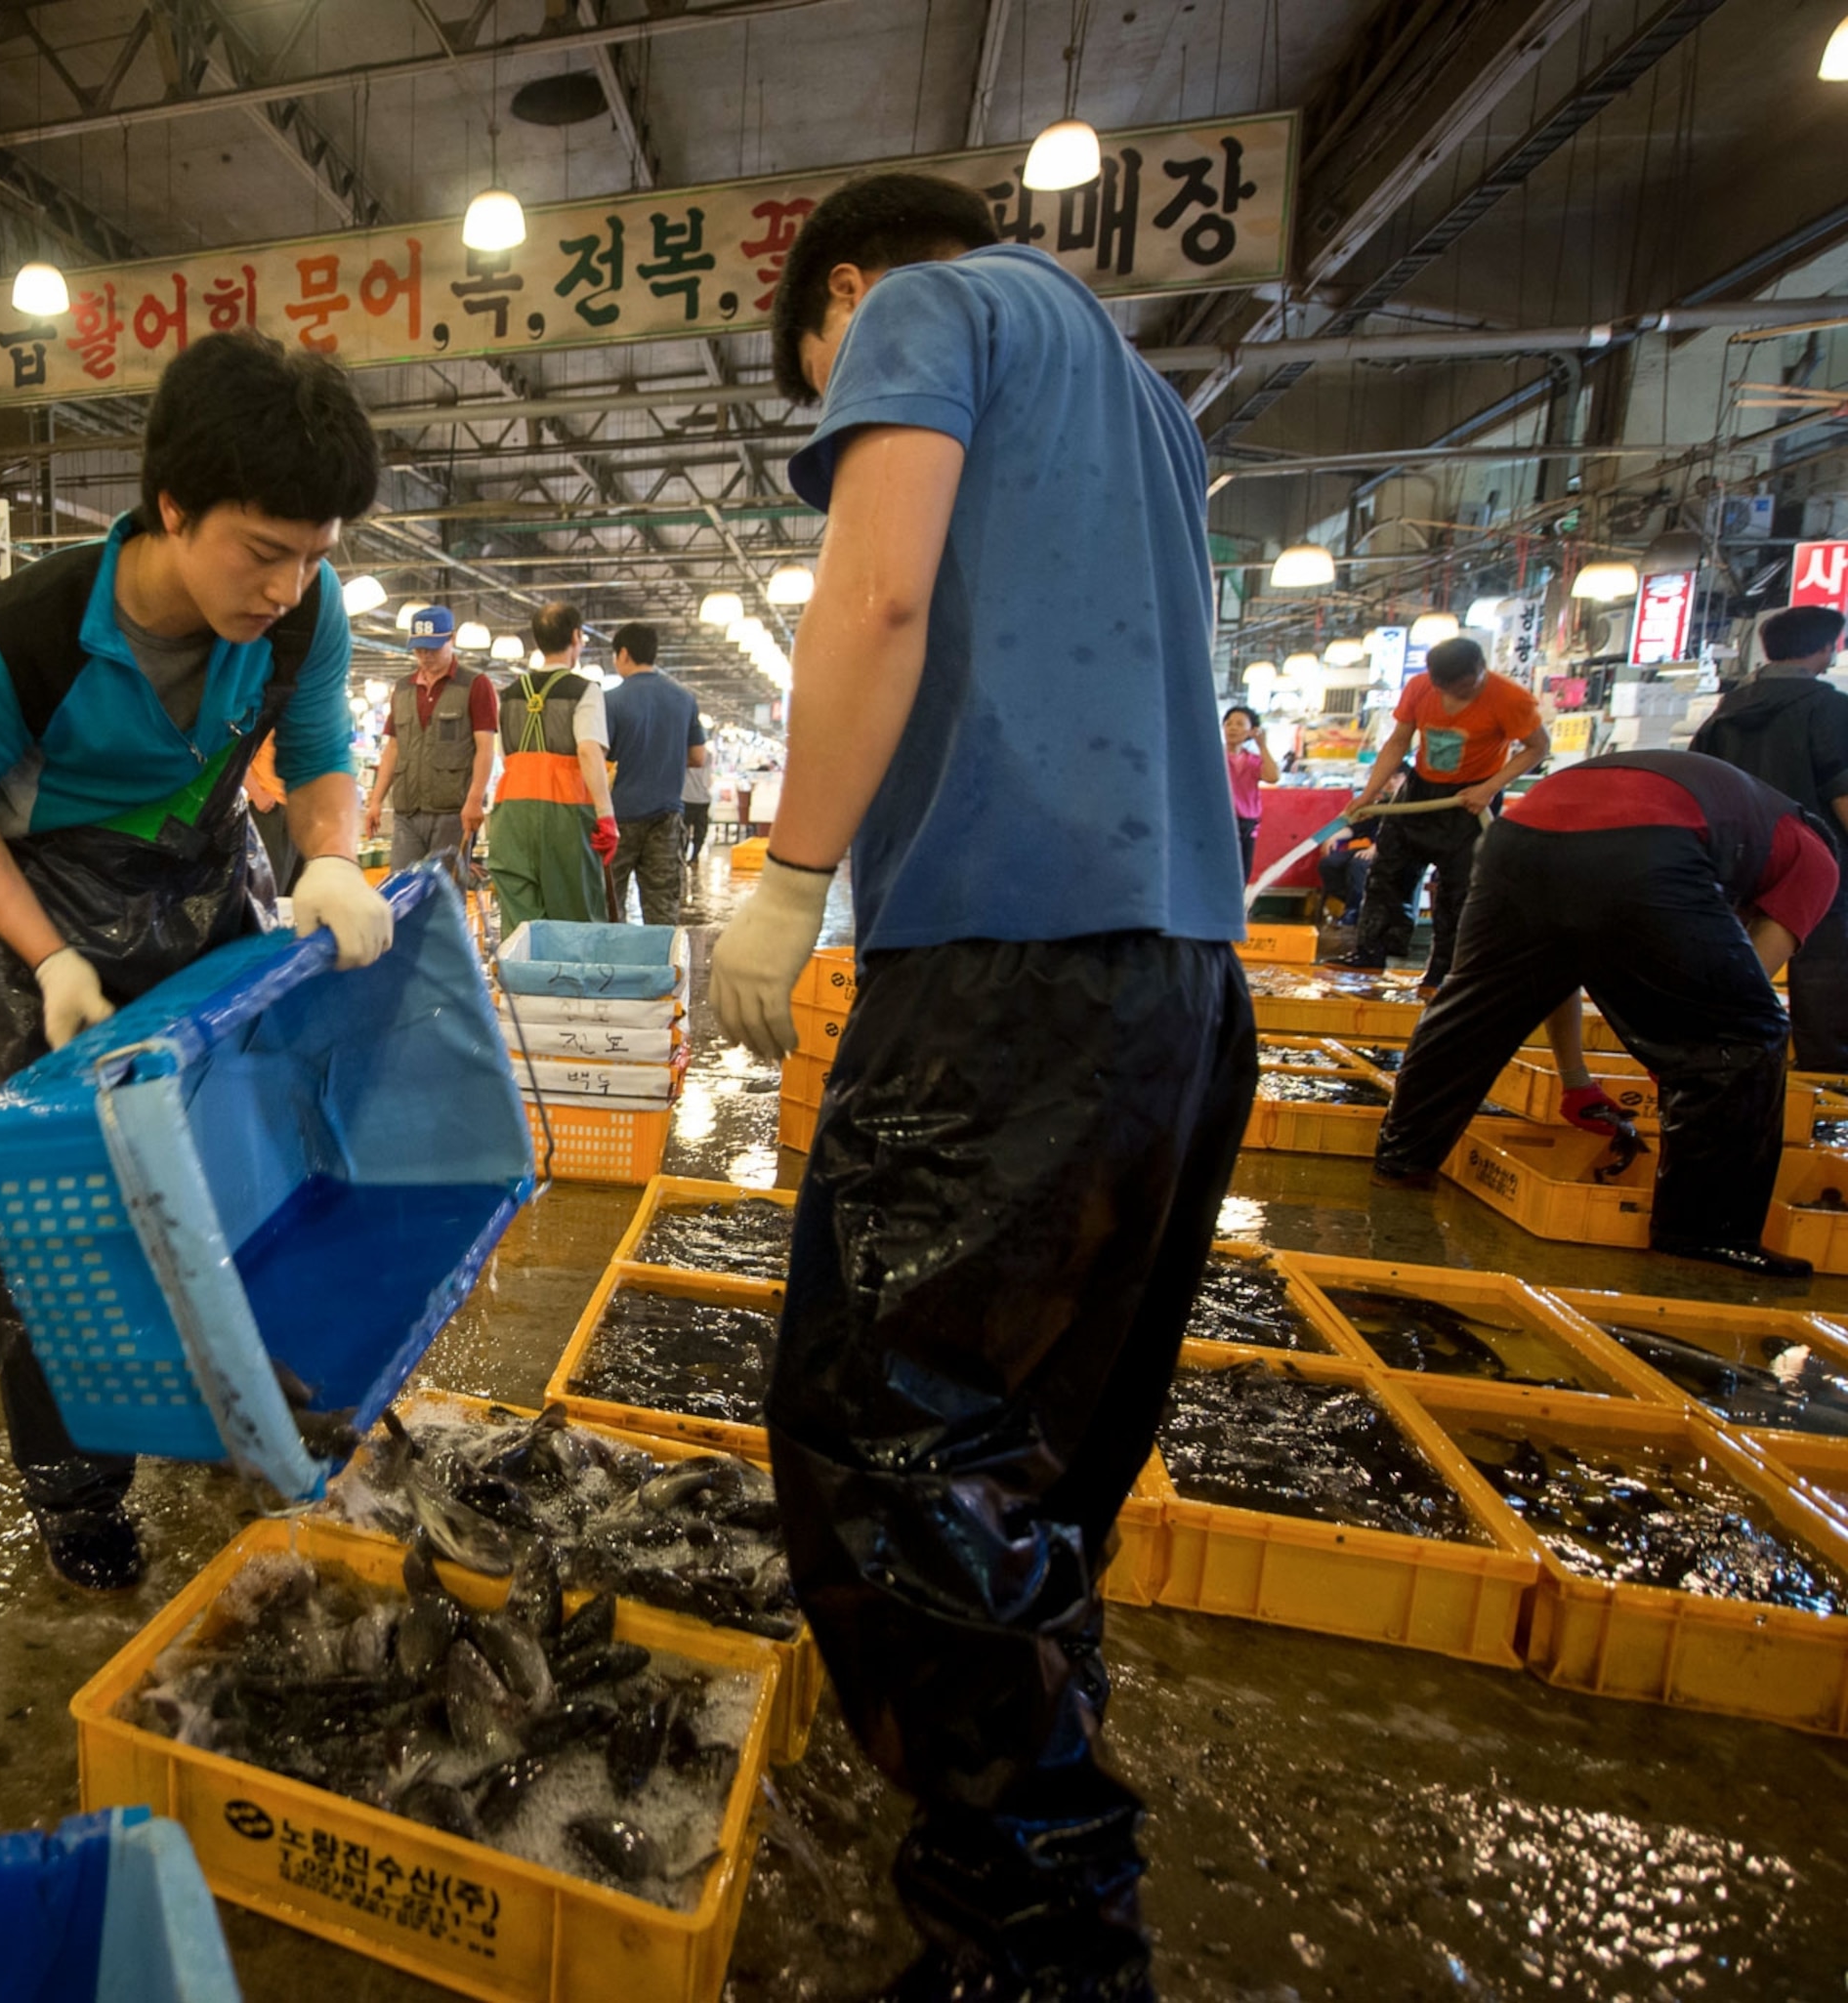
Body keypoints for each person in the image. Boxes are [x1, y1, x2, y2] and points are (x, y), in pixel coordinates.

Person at [706, 171, 1253, 1999]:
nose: (843, 403)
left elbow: (876, 602)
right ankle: (1030, 1857)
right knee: (1030, 1458)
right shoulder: (1151, 404)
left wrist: (791, 874)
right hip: (1183, 982)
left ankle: (1039, 1943)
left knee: (891, 1440)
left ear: (844, 293)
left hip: (1007, 974)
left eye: (824, 384)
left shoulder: (929, 309)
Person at [0, 329, 393, 1592]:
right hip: (41, 898)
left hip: (201, 868)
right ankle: (78, 1497)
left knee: (248, 1145)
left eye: (314, 553)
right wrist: (50, 958)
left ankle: (246, 1392)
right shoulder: (8, 642)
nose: (287, 585)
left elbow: (320, 748)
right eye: (262, 549)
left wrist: (332, 855)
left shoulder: (306, 612)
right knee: (64, 1208)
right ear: (173, 507)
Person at [1370, 748, 1836, 1275]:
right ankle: (1703, 1234)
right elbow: (1735, 1002)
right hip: (1647, 841)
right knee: (1745, 1035)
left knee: (1470, 1009)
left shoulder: (1735, 816)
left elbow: (1557, 965)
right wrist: (1684, 1059)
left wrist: (1576, 1081)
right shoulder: (1817, 859)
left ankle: (1402, 1162)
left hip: (1518, 835)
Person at [1329, 637, 1548, 989]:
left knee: (1458, 889)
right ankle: (1371, 952)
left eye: (1465, 687)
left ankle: (1444, 971)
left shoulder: (1511, 698)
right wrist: (1369, 794)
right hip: (1420, 790)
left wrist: (1490, 787)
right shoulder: (1420, 687)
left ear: (1480, 669)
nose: (1455, 695)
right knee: (1386, 872)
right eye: (1445, 687)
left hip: (1471, 798)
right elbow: (1399, 740)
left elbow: (1538, 747)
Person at [1689, 604, 1848, 1068]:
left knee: (1738, 967)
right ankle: (1823, 1082)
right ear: (1826, 647)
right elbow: (1842, 791)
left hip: (1739, 865)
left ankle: (1727, 1063)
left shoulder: (1725, 711)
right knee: (1824, 978)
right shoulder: (1830, 707)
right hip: (1817, 864)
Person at [487, 603, 615, 929]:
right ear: (576, 637)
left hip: (511, 815)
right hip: (565, 816)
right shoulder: (585, 691)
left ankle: (523, 965)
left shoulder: (509, 695)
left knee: (521, 923)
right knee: (575, 919)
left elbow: (505, 756)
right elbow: (588, 751)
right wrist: (606, 815)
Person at [359, 605, 498, 871]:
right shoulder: (403, 688)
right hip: (407, 812)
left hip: (452, 814)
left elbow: (485, 748)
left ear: (452, 639)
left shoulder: (475, 685)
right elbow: (393, 748)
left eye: (433, 648)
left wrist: (474, 800)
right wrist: (376, 801)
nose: (425, 656)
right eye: (419, 649)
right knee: (402, 887)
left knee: (444, 889)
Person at [600, 621, 706, 924]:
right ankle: (661, 956)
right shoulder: (684, 698)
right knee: (662, 910)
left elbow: (599, 756)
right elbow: (698, 757)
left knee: (609, 906)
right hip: (666, 819)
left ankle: (613, 955)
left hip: (619, 820)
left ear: (623, 654)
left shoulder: (611, 701)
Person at [1224, 702, 1280, 879]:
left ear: (1251, 731)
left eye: (1240, 724)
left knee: (1243, 873)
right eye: (1229, 723)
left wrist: (1262, 746)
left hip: (1247, 823)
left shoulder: (1253, 760)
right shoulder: (1216, 757)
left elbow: (1272, 776)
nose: (1233, 728)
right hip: (1221, 820)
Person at [245, 730, 298, 894]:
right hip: (271, 811)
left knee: (296, 893)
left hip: (299, 810)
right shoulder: (264, 718)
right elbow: (235, 758)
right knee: (271, 891)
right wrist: (257, 793)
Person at [682, 755, 714, 863]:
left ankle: (685, 856)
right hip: (702, 798)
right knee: (700, 831)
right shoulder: (708, 755)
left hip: (688, 797)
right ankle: (694, 857)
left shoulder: (685, 753)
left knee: (684, 830)